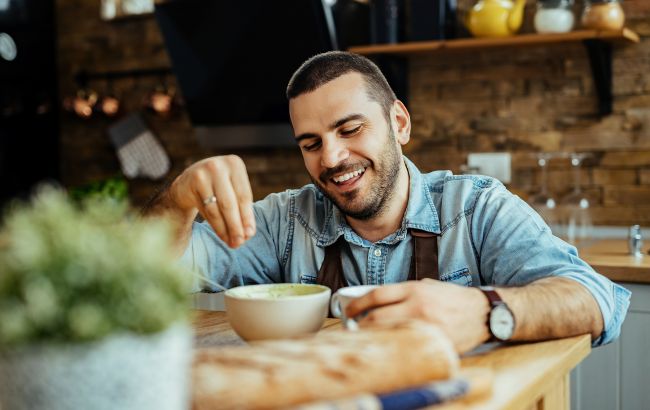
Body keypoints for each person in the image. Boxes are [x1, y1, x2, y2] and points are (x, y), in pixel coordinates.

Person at [144, 51, 630, 353]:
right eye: (310, 144)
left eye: (350, 129)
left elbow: (596, 300)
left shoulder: (476, 207)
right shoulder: (283, 221)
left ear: (399, 123)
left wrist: (485, 312)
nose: (332, 158)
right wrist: (179, 200)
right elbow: (145, 271)